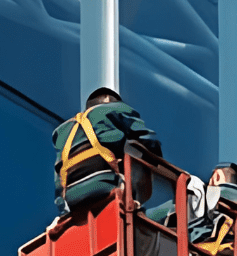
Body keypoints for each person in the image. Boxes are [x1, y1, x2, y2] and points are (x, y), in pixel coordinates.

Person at [52, 87, 161, 220]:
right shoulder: (115, 108)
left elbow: (59, 180)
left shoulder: (62, 132)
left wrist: (64, 212)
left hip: (72, 200)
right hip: (104, 187)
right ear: (111, 102)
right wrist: (158, 165)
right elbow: (149, 139)